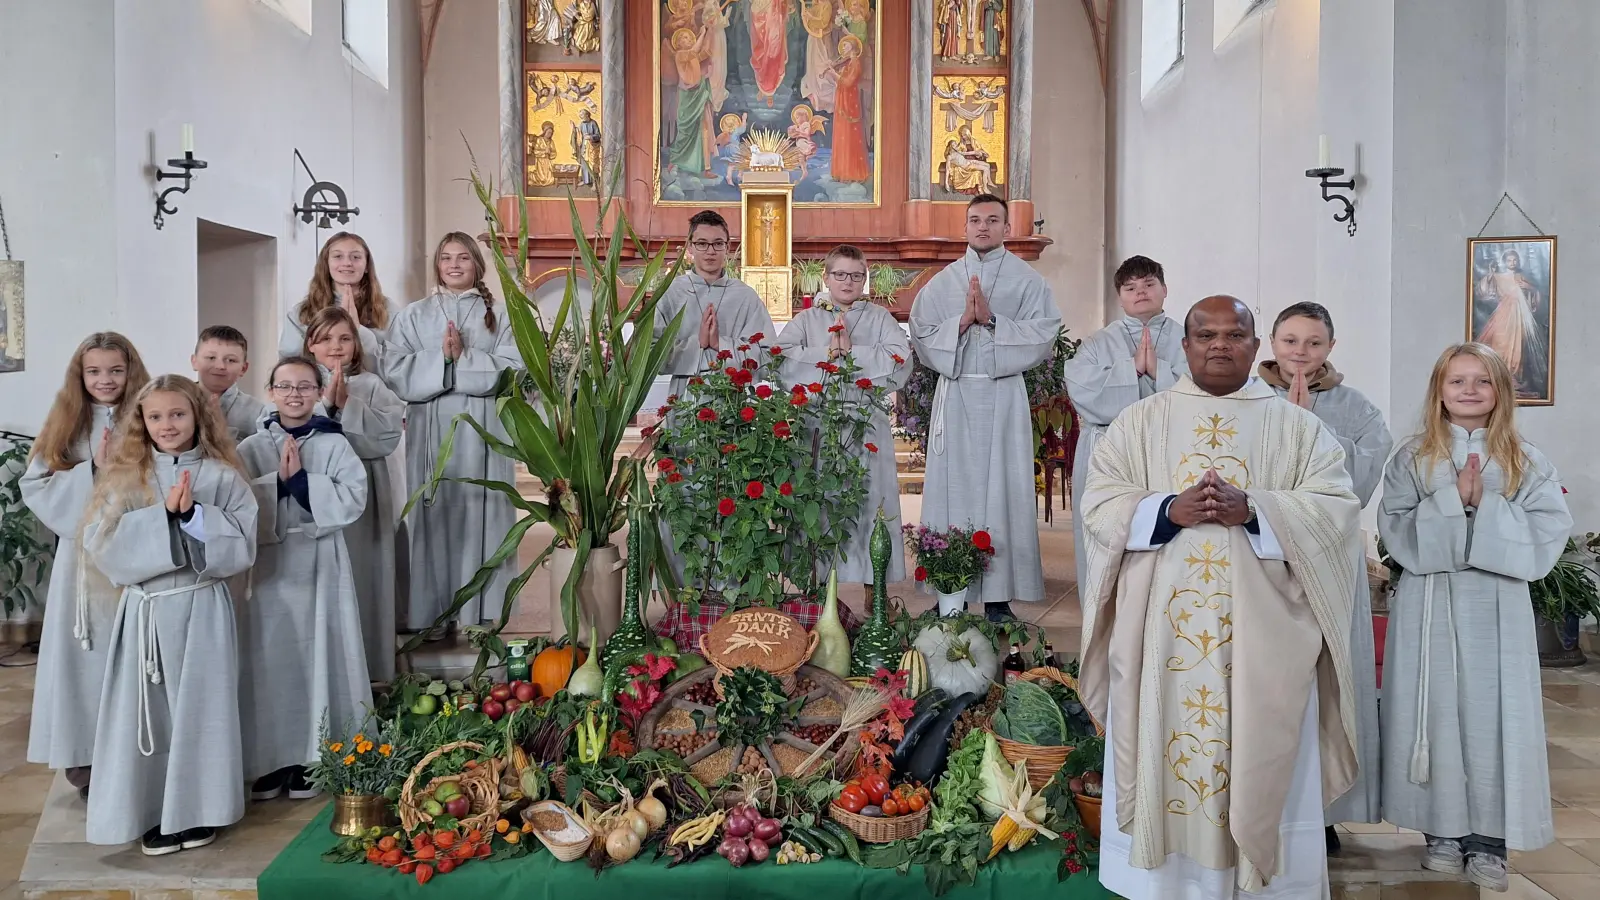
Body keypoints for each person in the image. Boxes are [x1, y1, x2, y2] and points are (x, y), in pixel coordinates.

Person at [1079, 296, 1364, 899]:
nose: (1219, 344)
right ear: (1184, 346)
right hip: (1159, 636)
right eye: (1204, 334)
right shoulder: (1142, 421)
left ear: (1255, 346)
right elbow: (1100, 504)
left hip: (1265, 644)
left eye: (1235, 334)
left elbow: (1337, 511)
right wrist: (1163, 510)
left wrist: (1257, 510)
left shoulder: (1298, 427)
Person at [1377, 342, 1569, 892]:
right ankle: (1441, 831)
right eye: (1456, 380)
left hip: (1495, 603)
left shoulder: (1524, 458)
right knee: (1435, 712)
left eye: (1481, 381)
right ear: (1439, 390)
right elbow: (1396, 525)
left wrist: (1484, 504)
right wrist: (1449, 503)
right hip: (1431, 601)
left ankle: (1489, 840)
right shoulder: (1412, 457)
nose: (1468, 390)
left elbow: (1547, 527)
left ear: (1500, 392)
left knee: (1493, 717)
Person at [81, 375, 257, 855]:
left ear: (198, 415)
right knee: (150, 715)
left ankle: (197, 812)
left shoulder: (223, 476)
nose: (166, 425)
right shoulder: (126, 477)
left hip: (201, 607)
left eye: (177, 414)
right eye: (154, 416)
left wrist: (192, 516)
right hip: (147, 613)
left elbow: (242, 546)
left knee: (201, 711)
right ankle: (152, 809)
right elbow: (102, 544)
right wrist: (162, 517)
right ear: (141, 421)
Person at [1260, 301, 1393, 851]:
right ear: (1271, 342)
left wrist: (1311, 424)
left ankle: (1325, 812)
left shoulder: (1356, 408)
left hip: (1331, 564)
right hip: (1266, 560)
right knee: (1271, 684)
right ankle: (1266, 801)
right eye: (1289, 340)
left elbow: (1359, 484)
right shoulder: (1247, 400)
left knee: (1328, 682)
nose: (1300, 352)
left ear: (1330, 348)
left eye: (1313, 343)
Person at [910, 194, 1060, 621]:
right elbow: (920, 334)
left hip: (1003, 395)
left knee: (1004, 491)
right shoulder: (943, 282)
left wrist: (993, 320)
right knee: (951, 492)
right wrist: (961, 322)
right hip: (956, 394)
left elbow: (1044, 332)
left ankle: (998, 599)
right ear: (964, 227)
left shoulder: (1028, 281)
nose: (983, 227)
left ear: (1007, 228)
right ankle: (948, 594)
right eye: (975, 220)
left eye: (993, 220)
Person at [22, 333, 150, 802]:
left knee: (137, 658)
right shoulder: (67, 421)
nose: (105, 380)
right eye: (94, 371)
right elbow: (36, 487)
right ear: (80, 375)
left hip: (138, 554)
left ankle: (139, 756)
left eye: (115, 370)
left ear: (129, 370)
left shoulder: (150, 412)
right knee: (85, 660)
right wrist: (92, 470)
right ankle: (87, 764)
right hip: (82, 566)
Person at [236, 356, 370, 803]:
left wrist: (301, 484)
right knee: (269, 662)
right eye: (285, 386)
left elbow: (353, 499)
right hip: (269, 568)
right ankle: (268, 759)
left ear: (318, 393)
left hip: (319, 559)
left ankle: (312, 757)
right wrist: (275, 481)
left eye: (304, 387)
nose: (294, 394)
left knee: (319, 654)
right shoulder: (252, 447)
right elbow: (234, 500)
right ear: (271, 391)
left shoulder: (335, 445)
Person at [383, 233, 519, 634]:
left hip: (485, 431)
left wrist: (465, 358)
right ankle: (433, 613)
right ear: (437, 265)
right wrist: (441, 359)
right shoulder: (414, 315)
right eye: (446, 258)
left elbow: (516, 368)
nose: (454, 264)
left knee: (485, 508)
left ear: (478, 264)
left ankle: (484, 612)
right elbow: (395, 370)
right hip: (432, 428)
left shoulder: (502, 313)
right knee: (435, 513)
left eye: (463, 258)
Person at [774, 244, 911, 589]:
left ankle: (873, 587)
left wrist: (853, 353)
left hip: (866, 426)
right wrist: (826, 353)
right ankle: (815, 587)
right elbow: (779, 358)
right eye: (840, 274)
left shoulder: (880, 318)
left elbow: (901, 359)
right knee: (820, 505)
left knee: (870, 502)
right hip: (818, 424)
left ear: (865, 279)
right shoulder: (807, 319)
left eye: (856, 275)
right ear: (826, 277)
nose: (848, 282)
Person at [1064, 255, 1188, 597]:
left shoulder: (1192, 340)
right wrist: (1131, 370)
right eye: (1130, 287)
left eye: (1149, 284)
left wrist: (1158, 370)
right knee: (1107, 534)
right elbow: (1082, 391)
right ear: (1120, 296)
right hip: (1108, 449)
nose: (1141, 292)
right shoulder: (1097, 343)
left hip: (1169, 449)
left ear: (1164, 289)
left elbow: (1204, 391)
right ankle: (1102, 611)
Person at [304, 307, 405, 683]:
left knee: (366, 576)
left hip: (365, 490)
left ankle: (372, 670)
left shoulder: (372, 386)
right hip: (316, 492)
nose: (336, 346)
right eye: (326, 338)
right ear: (310, 344)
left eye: (344, 338)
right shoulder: (299, 381)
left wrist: (347, 404)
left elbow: (388, 436)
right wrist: (324, 404)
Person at [654, 210, 775, 402]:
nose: (710, 251)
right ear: (690, 247)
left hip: (732, 401)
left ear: (727, 247)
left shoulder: (745, 296)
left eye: (718, 243)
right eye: (702, 243)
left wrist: (721, 344)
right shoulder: (671, 293)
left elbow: (768, 355)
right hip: (684, 399)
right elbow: (650, 354)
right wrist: (698, 344)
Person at [278, 233, 400, 365]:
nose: (347, 263)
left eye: (356, 257)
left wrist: (359, 331)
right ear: (326, 264)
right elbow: (290, 365)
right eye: (338, 256)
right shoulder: (302, 313)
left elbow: (398, 364)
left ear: (366, 266)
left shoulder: (388, 310)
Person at [192, 326, 270, 442]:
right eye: (211, 357)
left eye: (231, 360)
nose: (220, 366)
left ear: (243, 368)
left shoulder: (258, 412)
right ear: (194, 362)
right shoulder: (176, 401)